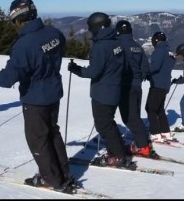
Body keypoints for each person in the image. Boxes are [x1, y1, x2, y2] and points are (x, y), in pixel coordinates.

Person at [0, 0, 76, 193]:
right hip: (53, 92)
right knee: (52, 132)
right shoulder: (54, 33)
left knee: (38, 139)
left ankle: (52, 179)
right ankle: (63, 172)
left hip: (35, 98)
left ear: (17, 19)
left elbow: (8, 77)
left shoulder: (24, 45)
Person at [68, 12, 131, 167]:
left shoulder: (101, 46)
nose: (90, 31)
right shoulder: (116, 43)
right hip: (114, 89)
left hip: (103, 93)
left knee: (104, 125)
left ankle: (118, 156)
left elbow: (94, 71)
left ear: (97, 28)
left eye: (91, 28)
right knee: (108, 123)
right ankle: (117, 150)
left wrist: (76, 69)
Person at [115, 20, 151, 157]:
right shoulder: (137, 46)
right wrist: (139, 77)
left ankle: (142, 146)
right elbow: (146, 68)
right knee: (135, 115)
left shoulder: (118, 46)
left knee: (130, 118)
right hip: (137, 86)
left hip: (125, 86)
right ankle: (141, 141)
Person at [145, 31, 176, 143]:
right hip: (165, 85)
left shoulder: (159, 51)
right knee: (159, 109)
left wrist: (146, 73)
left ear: (155, 41)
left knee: (150, 108)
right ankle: (165, 132)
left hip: (157, 84)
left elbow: (155, 67)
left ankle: (155, 133)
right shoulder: (169, 52)